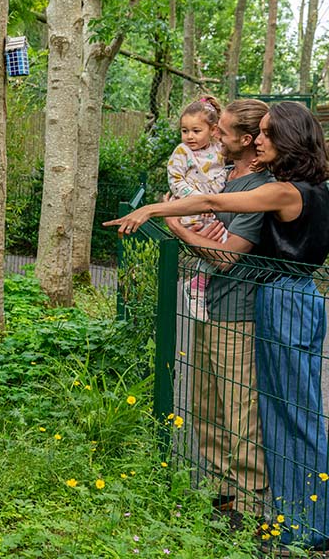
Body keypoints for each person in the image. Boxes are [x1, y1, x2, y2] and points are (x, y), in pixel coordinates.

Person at [105, 101, 329, 549]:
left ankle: (308, 524)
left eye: (267, 133)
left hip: (283, 296)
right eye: (259, 131)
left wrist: (155, 211)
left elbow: (211, 204)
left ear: (288, 139)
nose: (259, 140)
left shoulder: (286, 191)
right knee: (280, 413)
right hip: (290, 295)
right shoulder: (312, 186)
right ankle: (299, 518)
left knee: (290, 414)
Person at [165, 99, 271, 521]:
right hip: (209, 304)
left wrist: (176, 226)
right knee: (206, 404)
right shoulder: (224, 176)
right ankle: (219, 488)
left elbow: (226, 257)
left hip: (238, 310)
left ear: (244, 140)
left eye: (222, 132)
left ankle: (250, 505)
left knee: (240, 409)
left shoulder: (258, 185)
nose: (214, 137)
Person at [167, 96, 226, 321]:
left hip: (211, 210)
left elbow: (225, 172)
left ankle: (198, 284)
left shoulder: (220, 149)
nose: (189, 136)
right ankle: (197, 287)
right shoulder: (182, 152)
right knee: (216, 248)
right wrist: (200, 199)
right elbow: (175, 180)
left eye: (196, 130)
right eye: (185, 131)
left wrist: (211, 202)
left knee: (225, 247)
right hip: (190, 211)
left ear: (212, 130)